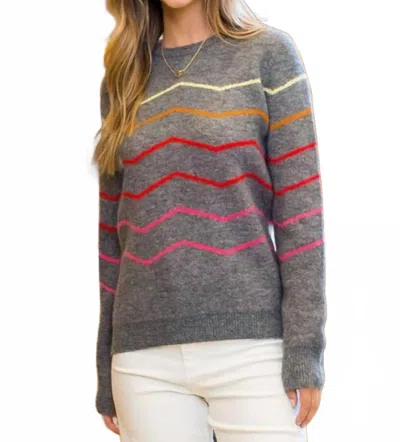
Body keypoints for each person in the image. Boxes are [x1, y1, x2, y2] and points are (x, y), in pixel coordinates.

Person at [93, 0, 327, 441]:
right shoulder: (124, 80)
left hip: (253, 348)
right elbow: (112, 235)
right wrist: (106, 364)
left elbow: (301, 217)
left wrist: (305, 348)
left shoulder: (268, 55)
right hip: (144, 360)